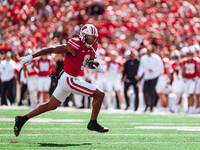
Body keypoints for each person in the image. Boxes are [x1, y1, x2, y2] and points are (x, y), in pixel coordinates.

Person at [14, 24, 109, 136]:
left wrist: (94, 65)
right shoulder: (75, 45)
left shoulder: (93, 46)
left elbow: (87, 59)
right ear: (83, 36)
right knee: (99, 94)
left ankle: (22, 119)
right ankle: (93, 123)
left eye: (93, 38)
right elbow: (53, 49)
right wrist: (32, 56)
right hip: (70, 79)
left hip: (68, 79)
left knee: (51, 105)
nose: (91, 40)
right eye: (89, 38)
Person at [136, 46, 163, 112]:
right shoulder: (143, 58)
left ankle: (152, 106)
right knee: (145, 92)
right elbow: (141, 68)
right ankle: (146, 105)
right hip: (146, 77)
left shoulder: (156, 57)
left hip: (154, 76)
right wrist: (139, 75)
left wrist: (153, 70)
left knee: (152, 92)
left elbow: (160, 67)